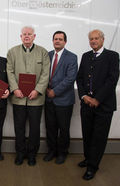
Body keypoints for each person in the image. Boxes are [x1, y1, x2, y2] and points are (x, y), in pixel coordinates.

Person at [76, 29, 119, 180]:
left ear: (102, 39)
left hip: (104, 106)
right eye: (91, 39)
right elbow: (80, 78)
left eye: (96, 38)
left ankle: (92, 167)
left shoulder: (112, 56)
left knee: (98, 138)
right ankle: (88, 159)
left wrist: (97, 99)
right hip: (86, 104)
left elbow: (112, 80)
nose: (93, 41)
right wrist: (84, 96)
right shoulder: (86, 56)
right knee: (87, 135)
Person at [7, 26, 50, 166]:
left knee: (34, 128)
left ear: (34, 36)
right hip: (18, 97)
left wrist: (38, 90)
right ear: (21, 36)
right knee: (19, 127)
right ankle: (20, 153)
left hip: (36, 99)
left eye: (29, 34)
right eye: (24, 34)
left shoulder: (43, 52)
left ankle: (32, 154)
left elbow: (45, 73)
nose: (26, 36)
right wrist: (15, 89)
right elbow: (10, 72)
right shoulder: (12, 52)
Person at [43, 31, 78, 164]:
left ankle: (62, 152)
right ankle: (51, 150)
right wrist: (46, 89)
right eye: (55, 39)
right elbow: (43, 74)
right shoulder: (48, 55)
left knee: (63, 128)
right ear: (52, 41)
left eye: (60, 39)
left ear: (65, 42)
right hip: (48, 99)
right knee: (50, 127)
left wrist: (55, 91)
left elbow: (70, 78)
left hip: (64, 100)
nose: (57, 41)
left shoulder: (72, 57)